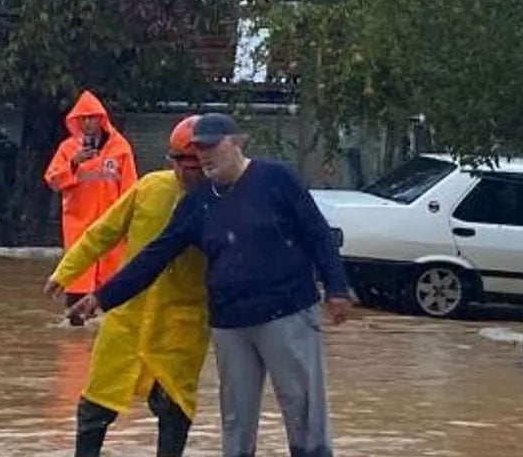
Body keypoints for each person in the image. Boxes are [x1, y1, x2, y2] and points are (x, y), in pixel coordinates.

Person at [69, 113, 352, 457]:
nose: (204, 156)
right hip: (229, 323)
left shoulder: (276, 178)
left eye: (211, 146)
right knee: (236, 419)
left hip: (287, 313)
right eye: (198, 149)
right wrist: (101, 298)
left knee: (304, 409)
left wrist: (337, 288)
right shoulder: (198, 201)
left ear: (237, 142)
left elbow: (316, 232)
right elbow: (154, 256)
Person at [44, 115, 210, 457]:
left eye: (198, 166)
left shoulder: (224, 201)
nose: (190, 174)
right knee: (95, 405)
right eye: (184, 164)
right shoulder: (150, 188)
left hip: (181, 326)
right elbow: (103, 232)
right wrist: (66, 272)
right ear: (172, 161)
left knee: (174, 409)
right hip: (127, 317)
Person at [45, 90, 137, 325]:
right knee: (77, 286)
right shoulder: (67, 149)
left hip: (112, 229)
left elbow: (131, 189)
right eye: (82, 119)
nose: (87, 124)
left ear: (101, 119)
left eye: (92, 118)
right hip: (79, 228)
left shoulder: (121, 148)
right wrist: (73, 164)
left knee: (111, 290)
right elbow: (53, 180)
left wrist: (130, 224)